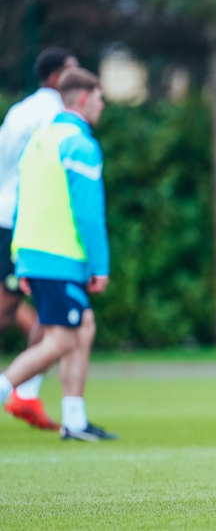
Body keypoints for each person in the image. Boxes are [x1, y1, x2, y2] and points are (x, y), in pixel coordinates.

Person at [0, 66, 116, 442]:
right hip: (60, 256)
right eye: (99, 97)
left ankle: (75, 420)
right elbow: (88, 213)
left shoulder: (39, 140)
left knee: (83, 327)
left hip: (34, 254)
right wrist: (99, 266)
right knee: (63, 339)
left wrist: (20, 258)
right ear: (83, 98)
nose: (102, 104)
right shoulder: (79, 145)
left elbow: (20, 205)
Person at [0, 47, 79, 431]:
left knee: (32, 312)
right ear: (54, 77)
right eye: (72, 71)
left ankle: (26, 393)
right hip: (29, 224)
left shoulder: (18, 111)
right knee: (11, 309)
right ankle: (21, 390)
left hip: (9, 219)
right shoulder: (55, 116)